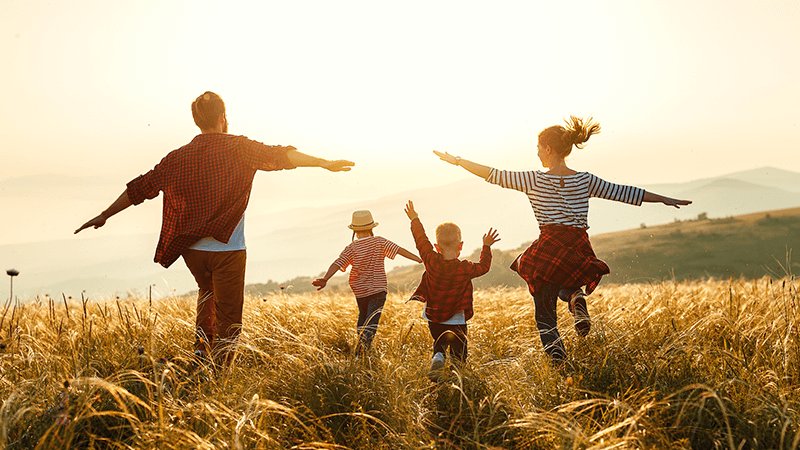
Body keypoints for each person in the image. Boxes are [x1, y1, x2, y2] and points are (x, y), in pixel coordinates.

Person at [75, 91, 354, 366]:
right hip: (228, 250)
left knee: (206, 293)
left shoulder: (177, 157)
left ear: (197, 120)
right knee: (229, 316)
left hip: (192, 251)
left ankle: (201, 354)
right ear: (223, 117)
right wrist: (322, 163)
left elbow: (141, 187)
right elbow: (280, 155)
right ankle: (219, 372)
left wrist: (105, 214)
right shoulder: (239, 148)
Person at [433, 116, 691, 363]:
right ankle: (575, 298)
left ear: (547, 148)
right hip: (578, 247)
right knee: (566, 280)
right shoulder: (585, 179)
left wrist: (458, 161)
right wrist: (664, 199)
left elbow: (493, 174)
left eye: (538, 148)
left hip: (549, 246)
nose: (536, 153)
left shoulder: (533, 179)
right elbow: (623, 192)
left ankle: (559, 362)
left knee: (544, 313)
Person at [403, 200, 500, 378]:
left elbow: (421, 240)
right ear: (461, 246)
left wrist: (414, 219)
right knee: (459, 352)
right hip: (457, 318)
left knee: (439, 344)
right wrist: (486, 246)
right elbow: (484, 267)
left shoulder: (431, 260)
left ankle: (438, 357)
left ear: (436, 247)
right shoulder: (465, 268)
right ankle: (456, 379)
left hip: (434, 317)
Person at [312, 210, 422, 353]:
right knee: (372, 321)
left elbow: (337, 263)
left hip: (360, 291)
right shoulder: (380, 242)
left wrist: (325, 278)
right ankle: (362, 351)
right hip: (378, 289)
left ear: (355, 231)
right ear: (371, 227)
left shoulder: (351, 248)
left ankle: (361, 348)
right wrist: (419, 259)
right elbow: (399, 250)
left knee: (363, 317)